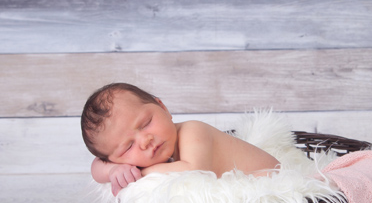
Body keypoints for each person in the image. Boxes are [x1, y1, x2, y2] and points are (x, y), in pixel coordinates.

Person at [80, 83, 281, 195]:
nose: (145, 140)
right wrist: (115, 170)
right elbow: (97, 167)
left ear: (163, 108)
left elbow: (194, 171)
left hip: (273, 186)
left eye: (146, 123)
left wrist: (139, 172)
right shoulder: (130, 161)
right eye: (128, 146)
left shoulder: (193, 131)